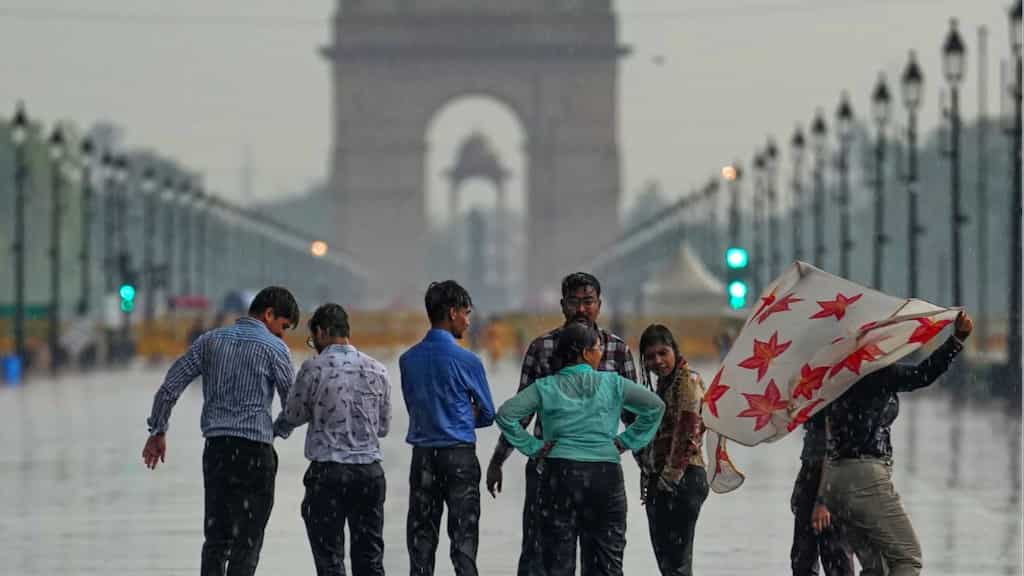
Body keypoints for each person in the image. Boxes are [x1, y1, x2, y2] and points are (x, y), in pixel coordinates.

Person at [485, 272, 637, 576]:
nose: (581, 309)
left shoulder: (617, 350)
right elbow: (520, 412)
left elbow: (632, 415)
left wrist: (645, 464)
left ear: (599, 304)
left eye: (588, 302)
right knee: (540, 559)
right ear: (562, 305)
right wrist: (500, 459)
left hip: (600, 469)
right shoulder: (542, 348)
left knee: (602, 561)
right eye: (574, 302)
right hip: (548, 468)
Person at [142, 286, 299, 576]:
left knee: (216, 540)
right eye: (283, 326)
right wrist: (277, 430)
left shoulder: (209, 341)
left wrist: (158, 430)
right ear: (268, 314)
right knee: (247, 543)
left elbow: (170, 387)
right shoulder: (276, 349)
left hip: (217, 452)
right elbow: (294, 406)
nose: (283, 335)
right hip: (256, 454)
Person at [496, 322, 665, 576]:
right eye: (598, 348)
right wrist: (625, 441)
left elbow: (506, 415)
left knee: (558, 562)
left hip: (558, 476)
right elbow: (655, 407)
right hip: (604, 477)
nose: (600, 354)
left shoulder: (546, 386)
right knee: (607, 562)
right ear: (586, 353)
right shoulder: (613, 383)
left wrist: (534, 447)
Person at [813, 311, 974, 576]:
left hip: (839, 481)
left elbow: (827, 437)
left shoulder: (838, 376)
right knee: (907, 558)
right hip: (865, 477)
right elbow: (923, 375)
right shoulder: (875, 371)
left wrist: (823, 496)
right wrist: (956, 340)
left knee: (878, 567)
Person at [280, 303, 391, 576]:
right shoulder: (378, 370)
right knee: (370, 560)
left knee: (329, 561)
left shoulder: (313, 369)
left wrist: (276, 428)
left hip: (327, 475)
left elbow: (293, 415)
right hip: (369, 474)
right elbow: (383, 428)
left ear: (322, 331)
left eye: (313, 339)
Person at [400, 280, 496, 576]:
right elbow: (489, 413)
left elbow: (414, 406)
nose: (468, 322)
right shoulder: (468, 361)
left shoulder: (407, 360)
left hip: (424, 457)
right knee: (463, 542)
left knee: (421, 543)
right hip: (459, 457)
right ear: (452, 313)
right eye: (466, 313)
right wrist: (463, 417)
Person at [636, 324, 709, 576]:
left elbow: (687, 432)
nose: (657, 361)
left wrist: (668, 480)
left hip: (683, 478)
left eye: (663, 353)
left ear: (675, 351)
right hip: (664, 479)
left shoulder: (688, 381)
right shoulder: (665, 385)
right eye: (650, 356)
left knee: (676, 564)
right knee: (669, 564)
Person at [790, 411, 854, 576]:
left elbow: (833, 448)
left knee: (836, 556)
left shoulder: (834, 395)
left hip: (831, 480)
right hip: (811, 475)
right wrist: (801, 484)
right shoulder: (817, 396)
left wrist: (824, 499)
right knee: (802, 558)